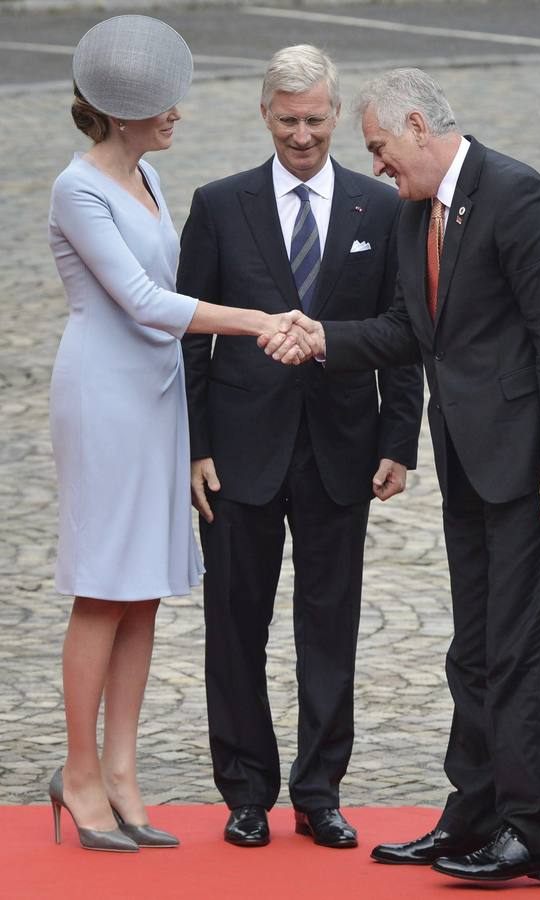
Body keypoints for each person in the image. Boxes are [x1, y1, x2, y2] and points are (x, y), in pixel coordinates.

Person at [263, 68, 540, 881]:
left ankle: (534, 838)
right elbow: (405, 329)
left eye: (380, 148)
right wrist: (320, 338)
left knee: (521, 654)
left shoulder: (520, 197)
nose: (378, 167)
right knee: (473, 652)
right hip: (468, 463)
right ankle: (471, 819)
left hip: (529, 468)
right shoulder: (420, 210)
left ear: (416, 125)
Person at [47, 15, 296, 853]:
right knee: (103, 582)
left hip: (157, 397)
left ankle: (121, 773)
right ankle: (78, 773)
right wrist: (257, 320)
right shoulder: (76, 189)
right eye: (162, 105)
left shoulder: (148, 176)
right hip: (105, 397)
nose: (176, 115)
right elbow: (147, 302)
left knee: (144, 584)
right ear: (119, 113)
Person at [177, 46, 423, 849]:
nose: (303, 135)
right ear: (264, 115)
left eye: (316, 119)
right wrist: (196, 446)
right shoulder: (219, 205)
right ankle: (245, 792)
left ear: (333, 113)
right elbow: (189, 336)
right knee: (234, 626)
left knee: (331, 625)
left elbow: (405, 333)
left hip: (341, 449)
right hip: (241, 453)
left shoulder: (376, 207)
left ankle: (319, 793)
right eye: (288, 121)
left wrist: (399, 439)